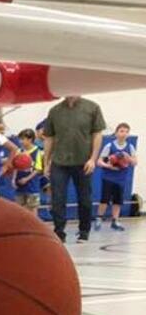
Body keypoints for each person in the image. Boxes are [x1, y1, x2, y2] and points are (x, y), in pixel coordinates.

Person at [43, 94, 107, 242]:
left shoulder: (92, 107)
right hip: (60, 162)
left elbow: (97, 134)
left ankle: (84, 231)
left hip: (83, 161)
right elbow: (49, 138)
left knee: (85, 199)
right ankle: (59, 232)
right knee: (57, 199)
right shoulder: (55, 111)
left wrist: (93, 159)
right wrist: (46, 162)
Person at [94, 122, 138, 232]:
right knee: (104, 200)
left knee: (118, 201)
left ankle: (115, 221)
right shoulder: (109, 146)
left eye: (127, 131)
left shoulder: (130, 147)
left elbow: (135, 162)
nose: (124, 134)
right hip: (108, 177)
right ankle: (99, 218)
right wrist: (108, 165)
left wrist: (128, 158)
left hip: (121, 179)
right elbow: (99, 161)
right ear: (116, 133)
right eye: (122, 131)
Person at [13, 129, 44, 215]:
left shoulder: (37, 151)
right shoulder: (19, 151)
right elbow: (15, 166)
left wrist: (27, 179)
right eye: (20, 139)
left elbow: (38, 169)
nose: (21, 141)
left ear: (30, 139)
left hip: (32, 184)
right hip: (20, 184)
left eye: (23, 139)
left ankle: (34, 226)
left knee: (32, 206)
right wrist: (13, 179)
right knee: (19, 206)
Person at [0, 120, 18, 201]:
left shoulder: (9, 144)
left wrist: (13, 179)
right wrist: (1, 160)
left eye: (3, 129)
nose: (2, 132)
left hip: (7, 180)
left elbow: (16, 162)